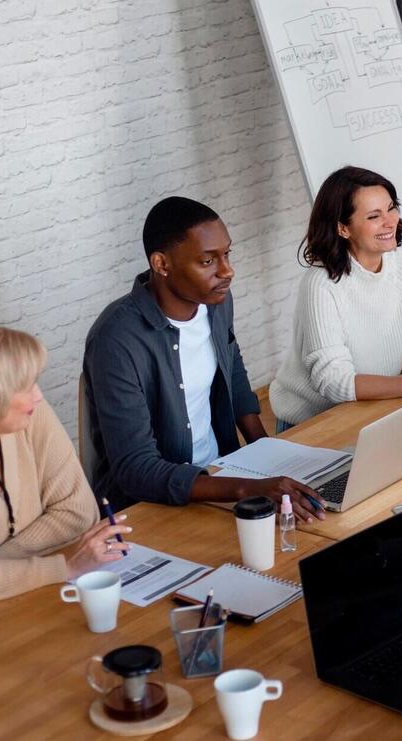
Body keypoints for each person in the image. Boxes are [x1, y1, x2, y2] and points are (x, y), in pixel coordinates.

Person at [84, 197, 325, 520]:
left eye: (226, 254)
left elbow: (232, 369)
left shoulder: (215, 303)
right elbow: (136, 469)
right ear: (162, 264)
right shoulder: (117, 339)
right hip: (154, 507)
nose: (227, 271)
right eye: (207, 261)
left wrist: (269, 457)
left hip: (222, 473)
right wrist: (245, 488)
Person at [0, 323, 132, 607]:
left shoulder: (31, 415)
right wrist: (63, 568)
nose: (39, 395)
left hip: (19, 598)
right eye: (26, 387)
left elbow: (79, 512)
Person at [270, 167, 402, 429]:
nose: (390, 221)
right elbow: (334, 381)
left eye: (391, 208)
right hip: (313, 425)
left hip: (373, 409)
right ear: (343, 228)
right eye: (374, 216)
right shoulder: (321, 284)